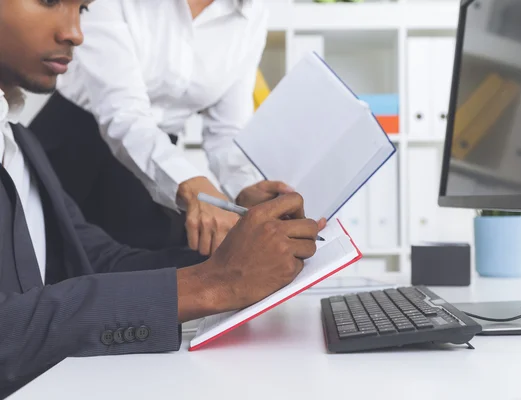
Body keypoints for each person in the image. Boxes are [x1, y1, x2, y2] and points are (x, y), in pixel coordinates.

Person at [0, 0, 321, 396]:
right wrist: (213, 281)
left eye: (82, 8)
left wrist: (247, 253)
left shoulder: (19, 145)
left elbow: (96, 261)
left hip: (160, 160)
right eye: (50, 0)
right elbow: (123, 114)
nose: (76, 33)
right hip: (92, 140)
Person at [29, 0, 295, 256]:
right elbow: (123, 113)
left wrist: (243, 188)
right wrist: (191, 185)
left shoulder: (251, 14)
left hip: (155, 173)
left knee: (158, 277)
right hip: (74, 151)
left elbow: (227, 130)